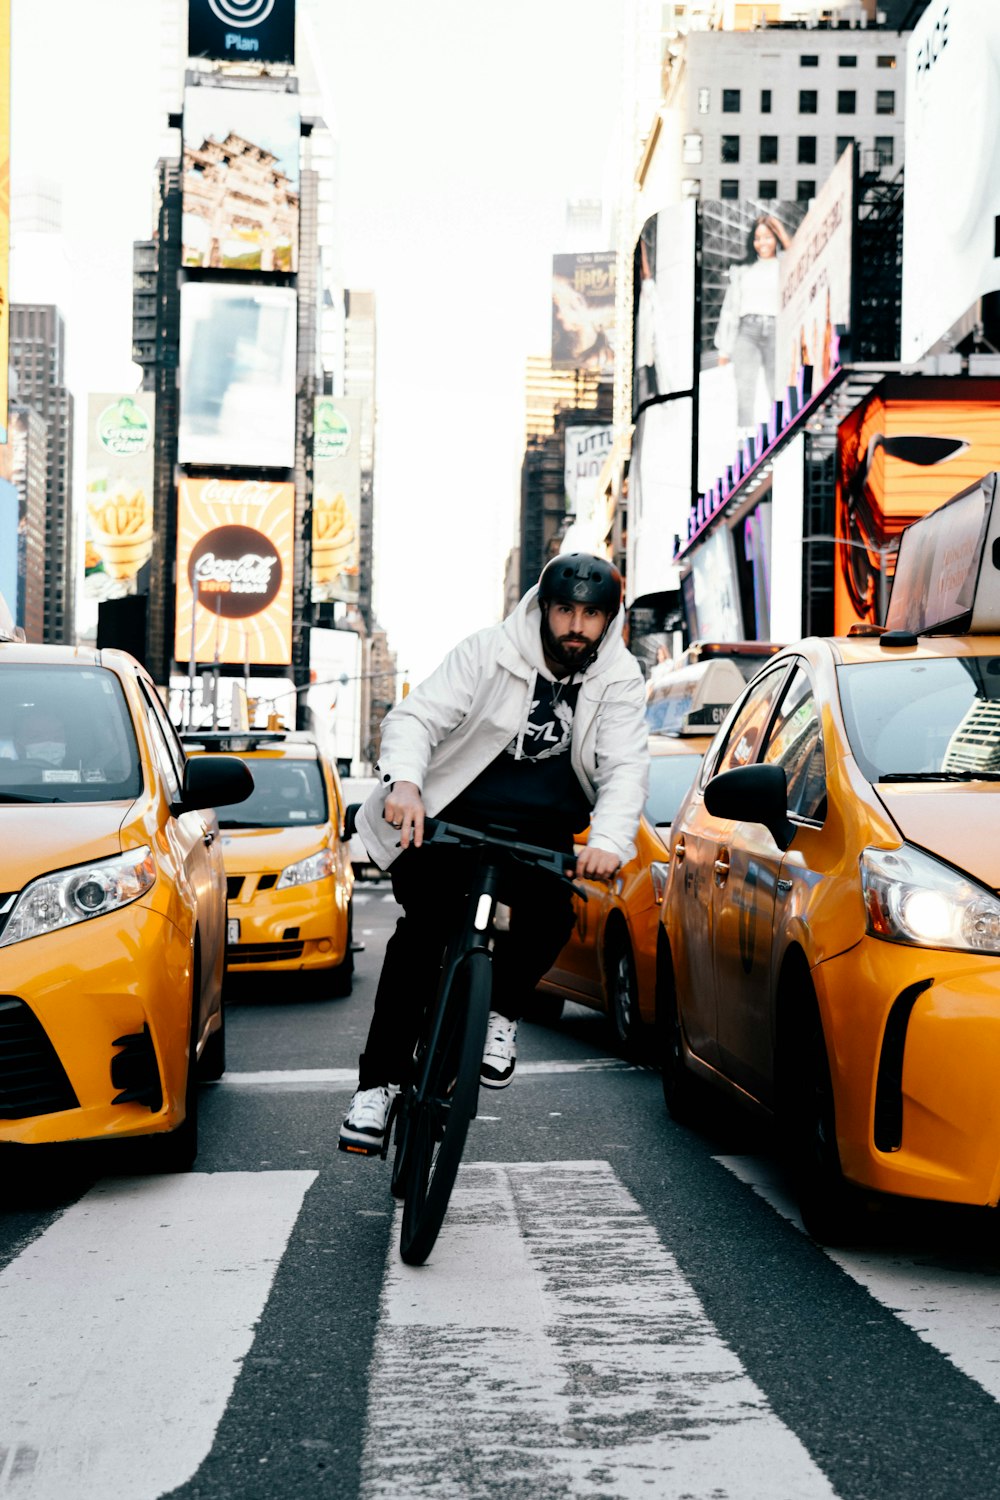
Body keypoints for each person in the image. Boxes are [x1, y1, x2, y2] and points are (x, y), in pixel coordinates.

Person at [339, 552, 650, 1156]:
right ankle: (375, 1090)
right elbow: (416, 717)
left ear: (608, 621)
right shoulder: (489, 651)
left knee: (554, 916)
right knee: (421, 937)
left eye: (591, 615)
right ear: (543, 608)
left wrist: (610, 842)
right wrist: (405, 782)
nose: (576, 627)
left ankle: (500, 1016)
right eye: (565, 610)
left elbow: (625, 766)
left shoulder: (620, 677)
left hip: (541, 833)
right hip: (449, 819)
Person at [714, 214, 792, 438]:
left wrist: (779, 227)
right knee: (744, 388)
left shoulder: (785, 264)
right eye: (757, 238)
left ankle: (781, 433)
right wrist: (724, 350)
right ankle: (744, 440)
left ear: (776, 238)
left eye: (768, 237)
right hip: (747, 331)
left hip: (776, 329)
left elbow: (797, 253)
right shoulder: (742, 269)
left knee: (777, 386)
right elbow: (729, 310)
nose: (762, 243)